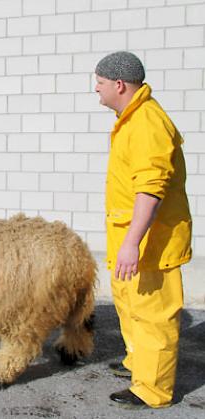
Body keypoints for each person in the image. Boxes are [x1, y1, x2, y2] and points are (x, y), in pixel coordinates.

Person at [94, 51, 192, 409]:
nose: (96, 89)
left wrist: (132, 243)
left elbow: (151, 189)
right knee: (131, 307)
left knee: (153, 316)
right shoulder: (131, 119)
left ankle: (153, 390)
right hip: (131, 239)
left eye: (100, 83)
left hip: (152, 243)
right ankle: (138, 364)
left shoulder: (147, 122)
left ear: (119, 85)